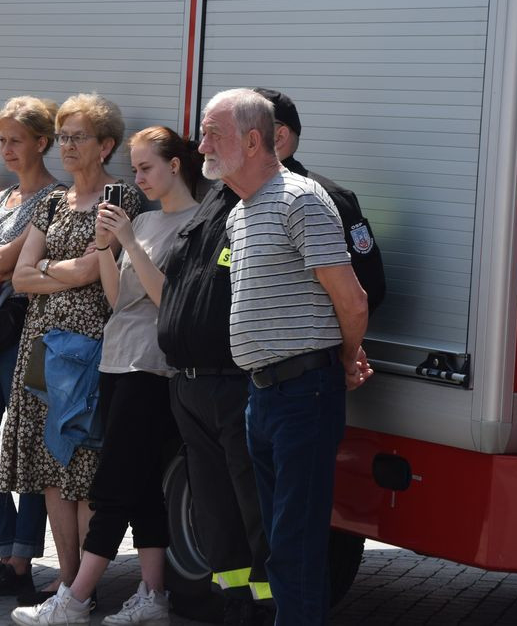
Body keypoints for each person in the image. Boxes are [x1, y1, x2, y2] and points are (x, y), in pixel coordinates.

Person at [11, 126, 200, 625]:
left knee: (112, 485)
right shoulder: (153, 220)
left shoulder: (195, 224)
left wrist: (129, 242)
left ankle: (74, 599)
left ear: (175, 166)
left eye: (146, 168)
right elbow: (118, 302)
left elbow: (170, 303)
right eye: (134, 169)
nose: (137, 179)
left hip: (151, 368)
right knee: (139, 490)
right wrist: (105, 248)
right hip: (117, 359)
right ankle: (154, 595)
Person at [198, 88, 372, 625]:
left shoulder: (301, 199)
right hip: (262, 396)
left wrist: (344, 358)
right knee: (277, 543)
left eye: (213, 133)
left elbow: (352, 298)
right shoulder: (241, 211)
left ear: (253, 141)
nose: (200, 143)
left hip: (304, 393)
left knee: (294, 546)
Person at [0, 92, 142, 606]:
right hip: (41, 347)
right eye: (62, 136)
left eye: (77, 137)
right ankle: (66, 581)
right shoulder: (55, 201)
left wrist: (49, 273)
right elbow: (19, 277)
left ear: (106, 145)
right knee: (50, 470)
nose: (66, 146)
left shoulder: (121, 200)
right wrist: (63, 273)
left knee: (81, 469)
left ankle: (86, 588)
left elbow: (93, 272)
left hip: (88, 349)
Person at [157, 171, 273, 622]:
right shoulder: (217, 198)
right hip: (190, 383)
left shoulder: (287, 197)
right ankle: (236, 601)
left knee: (255, 505)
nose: (203, 144)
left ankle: (267, 606)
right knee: (215, 507)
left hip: (238, 381)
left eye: (214, 134)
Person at [0, 96, 63, 597]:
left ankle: (22, 560)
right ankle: (7, 550)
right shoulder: (2, 199)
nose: (5, 150)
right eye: (1, 140)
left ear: (42, 143)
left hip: (26, 335)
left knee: (27, 449)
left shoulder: (54, 199)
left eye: (15, 140)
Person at [252, 88, 385, 313]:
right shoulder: (225, 193)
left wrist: (325, 345)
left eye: (245, 128)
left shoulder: (329, 198)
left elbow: (367, 288)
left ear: (279, 137)